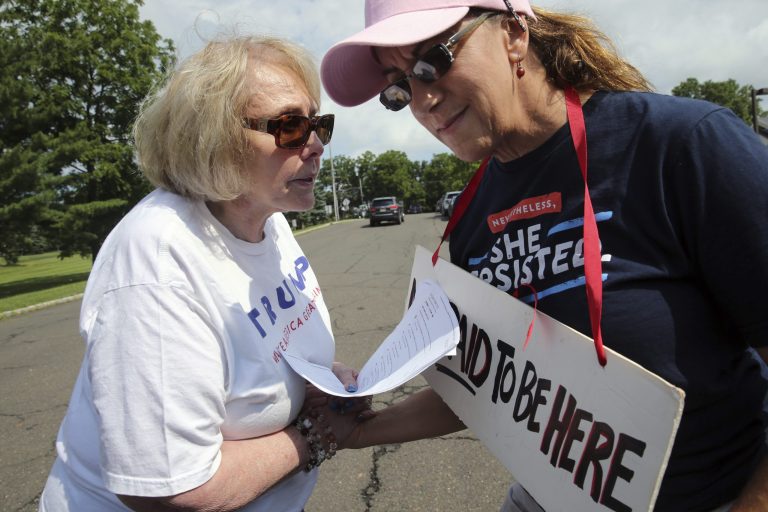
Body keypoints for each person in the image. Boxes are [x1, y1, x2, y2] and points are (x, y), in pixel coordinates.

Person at [320, 1, 768, 510]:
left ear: (513, 33)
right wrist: (357, 430)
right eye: (398, 87)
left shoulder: (684, 145)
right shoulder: (470, 221)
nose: (422, 99)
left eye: (432, 61)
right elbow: (482, 389)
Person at [39, 35, 365, 512]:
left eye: (319, 124)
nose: (316, 145)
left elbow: (268, 348)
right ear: (215, 139)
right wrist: (316, 435)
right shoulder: (158, 259)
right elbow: (174, 490)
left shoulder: (268, 221)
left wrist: (321, 383)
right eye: (292, 126)